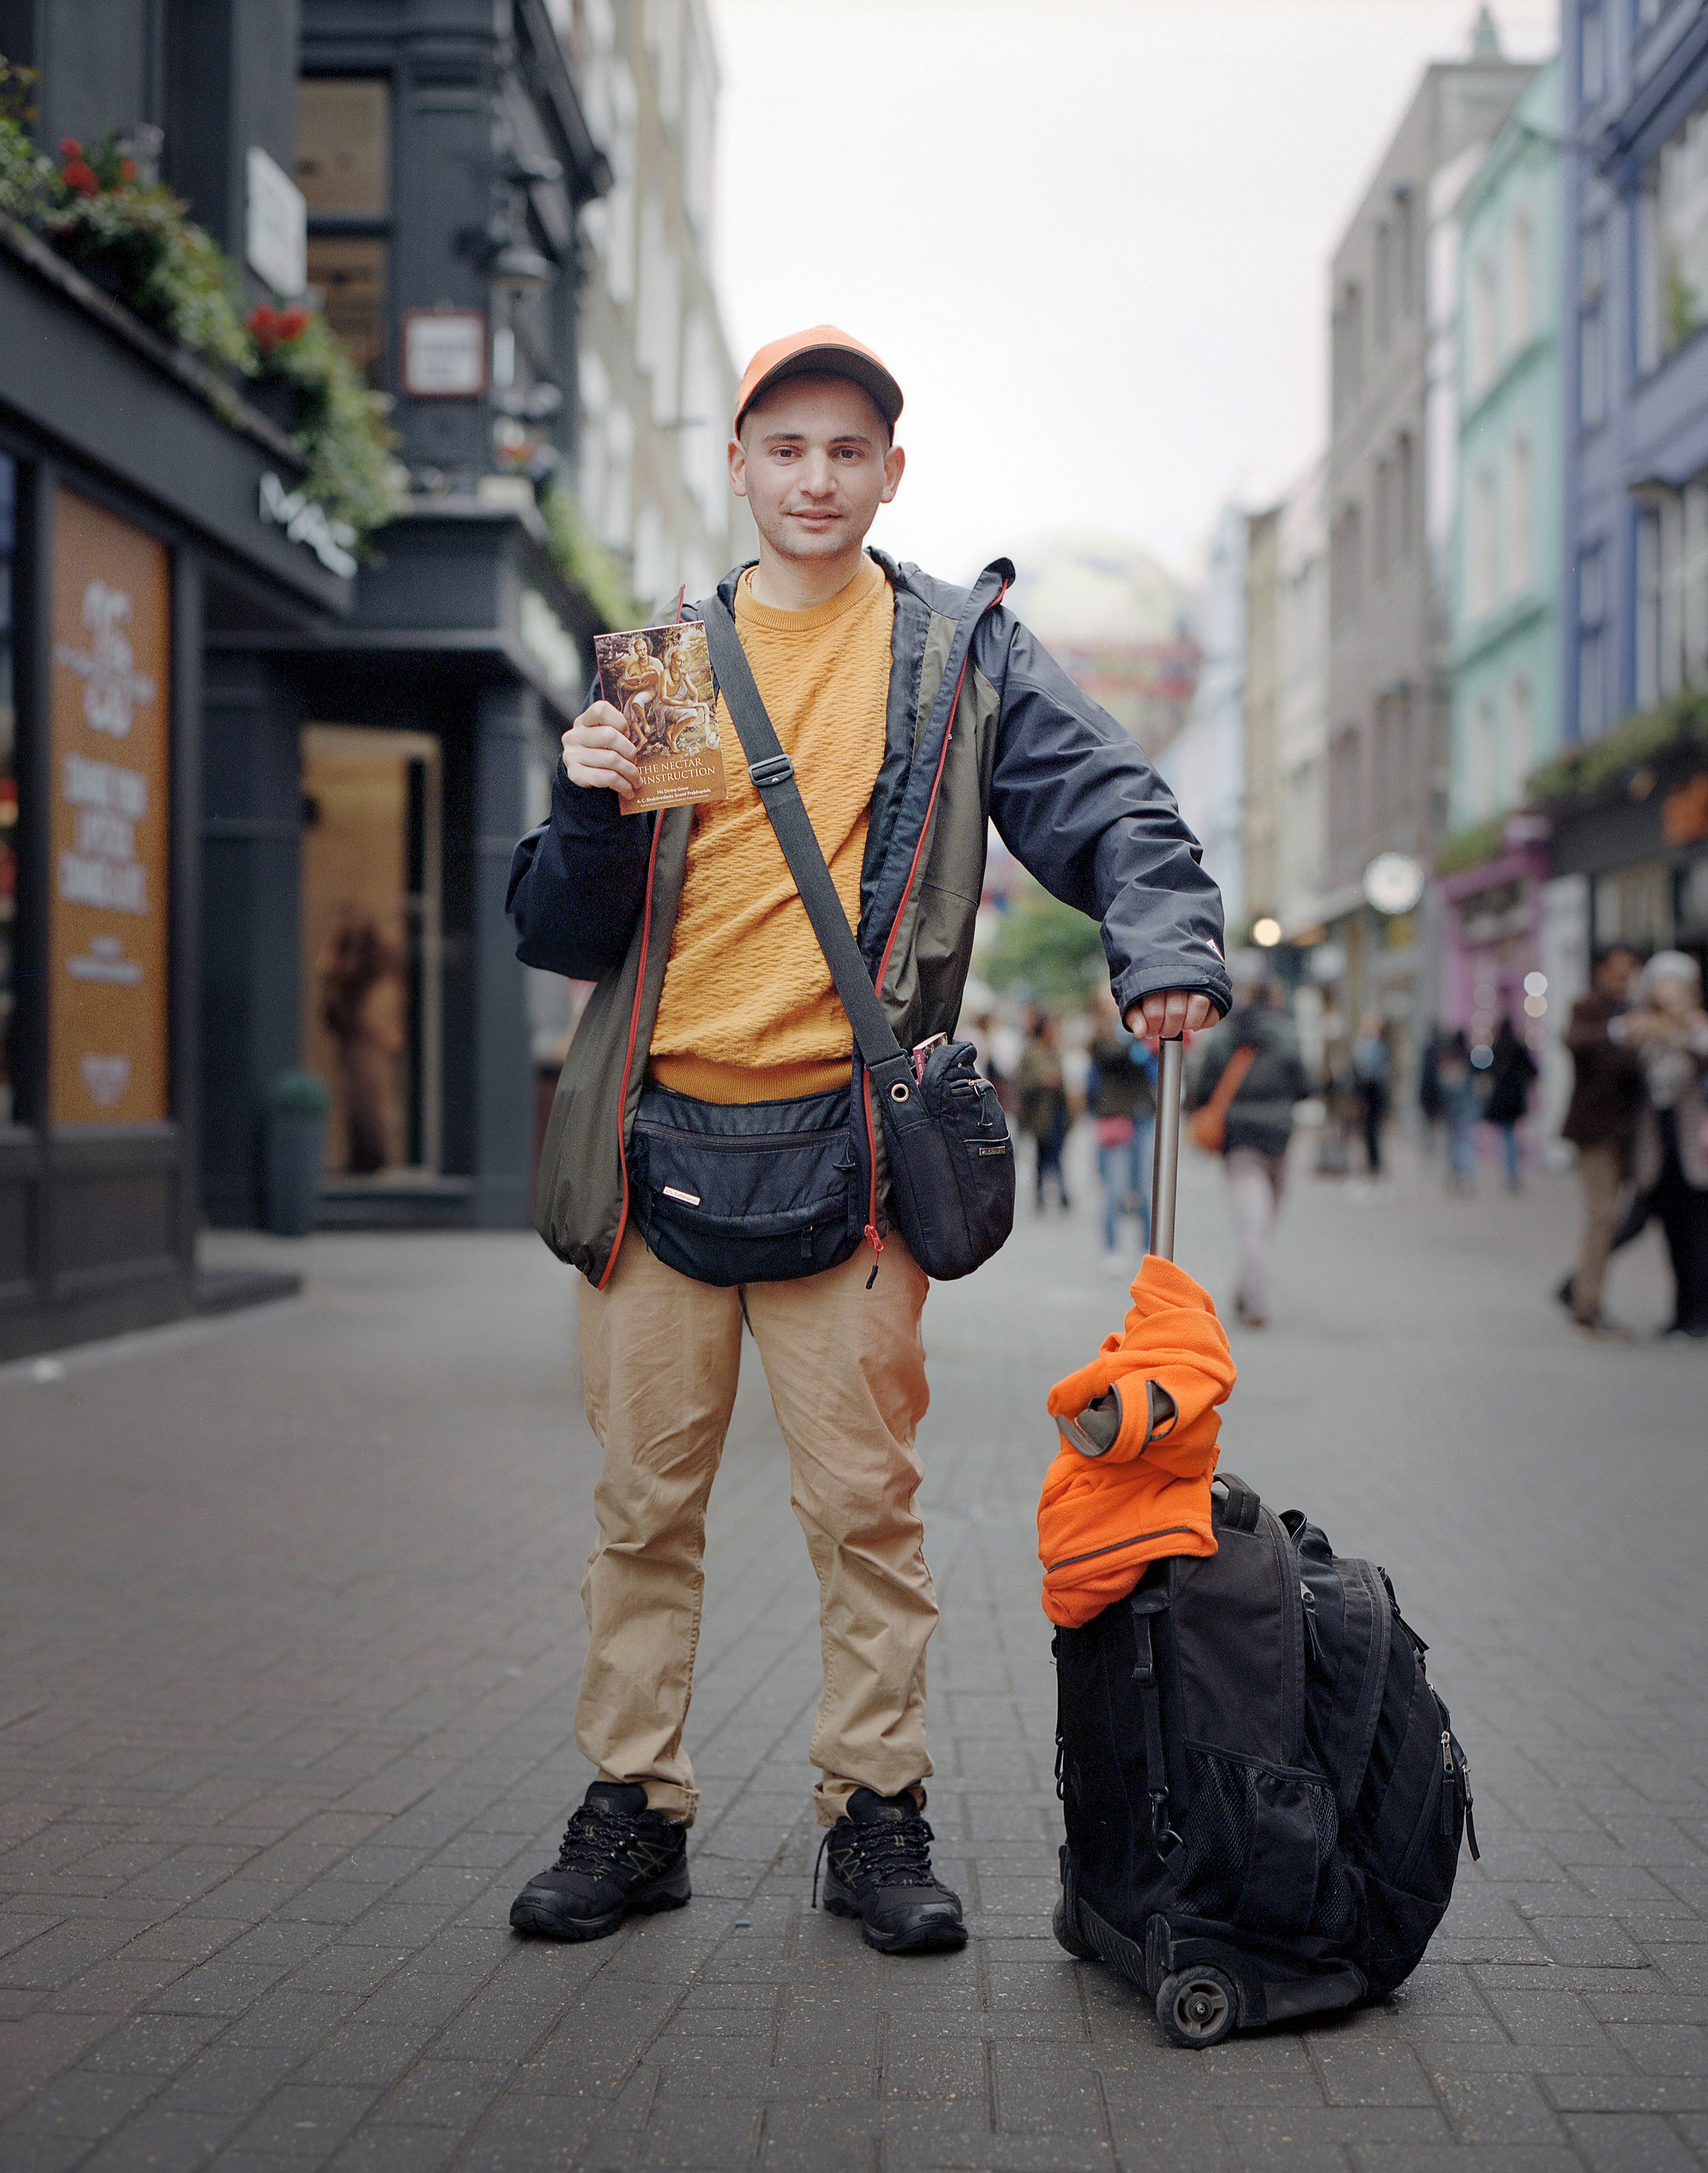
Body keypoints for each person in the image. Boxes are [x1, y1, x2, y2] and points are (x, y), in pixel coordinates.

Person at [505, 328, 1229, 1957]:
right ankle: (636, 1808)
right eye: (787, 449)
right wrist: (580, 802)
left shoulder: (953, 656)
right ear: (744, 466)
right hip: (650, 1152)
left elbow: (1113, 804)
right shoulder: (669, 665)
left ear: (890, 470)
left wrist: (1164, 941)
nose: (817, 479)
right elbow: (565, 931)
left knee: (866, 1511)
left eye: (849, 451)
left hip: (852, 1156)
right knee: (643, 1509)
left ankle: (872, 1811)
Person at [1189, 977, 1310, 1327]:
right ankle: (1255, 1300)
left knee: (1251, 1223)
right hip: (1278, 1141)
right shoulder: (1287, 1036)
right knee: (1263, 1221)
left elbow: (1201, 1089)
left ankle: (1247, 1290)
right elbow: (1306, 1086)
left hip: (1239, 1142)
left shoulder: (1224, 1037)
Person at [1558, 944, 1645, 1332]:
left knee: (1628, 1219)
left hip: (1635, 1136)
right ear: (1601, 972)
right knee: (1603, 1216)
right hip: (1597, 1133)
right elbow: (1575, 1041)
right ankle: (1586, 1302)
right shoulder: (1591, 1009)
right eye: (1619, 972)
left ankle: (1579, 1289)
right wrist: (1623, 1031)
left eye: (1632, 972)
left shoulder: (1643, 1009)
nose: (1625, 980)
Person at [1622, 951, 1708, 1339]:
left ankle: (1700, 1316)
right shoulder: (1643, 1031)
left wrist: (1679, 1031)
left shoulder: (1697, 1029)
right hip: (1659, 1152)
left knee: (1698, 1239)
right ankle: (1681, 1314)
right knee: (1673, 1240)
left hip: (1697, 1152)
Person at [1086, 985, 1156, 1271]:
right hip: (1116, 1118)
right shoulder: (1101, 1038)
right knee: (1116, 1188)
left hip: (1142, 1114)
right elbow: (1114, 1056)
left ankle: (1148, 1249)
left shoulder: (1138, 1033)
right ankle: (1112, 1247)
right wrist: (1139, 1041)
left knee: (1144, 1187)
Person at [1015, 1007, 1071, 1212]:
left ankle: (1062, 1191)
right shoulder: (1030, 1052)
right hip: (1039, 1114)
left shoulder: (1055, 1051)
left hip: (1057, 1111)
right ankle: (1044, 1193)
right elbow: (1021, 1083)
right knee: (1042, 1154)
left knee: (1057, 1152)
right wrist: (1042, 1080)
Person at [1485, 1017, 1539, 1191]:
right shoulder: (1518, 1047)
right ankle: (1513, 1173)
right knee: (1511, 1136)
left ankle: (1510, 1173)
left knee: (1506, 1136)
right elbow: (1532, 1072)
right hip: (1515, 1098)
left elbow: (1485, 1070)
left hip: (1501, 1098)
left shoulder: (1496, 1048)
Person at [1438, 1030, 1481, 1194]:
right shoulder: (1468, 1059)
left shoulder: (1448, 1059)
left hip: (1453, 1109)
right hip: (1465, 1108)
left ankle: (1458, 1176)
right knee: (1464, 1143)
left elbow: (1442, 1086)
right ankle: (1465, 1176)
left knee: (1455, 1144)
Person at [1350, 1012, 1390, 1177]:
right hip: (1365, 1092)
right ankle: (1370, 1161)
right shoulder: (1362, 1046)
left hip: (1375, 1092)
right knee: (1366, 1130)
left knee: (1373, 1130)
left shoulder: (1378, 1046)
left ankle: (1374, 1162)